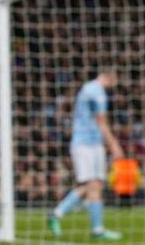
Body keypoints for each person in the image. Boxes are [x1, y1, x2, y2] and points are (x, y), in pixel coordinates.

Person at [48, 71, 124, 240]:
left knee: (95, 185)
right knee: (89, 184)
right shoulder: (96, 92)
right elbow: (101, 122)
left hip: (92, 143)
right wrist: (114, 145)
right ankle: (57, 213)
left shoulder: (88, 89)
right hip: (85, 144)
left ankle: (96, 229)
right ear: (110, 76)